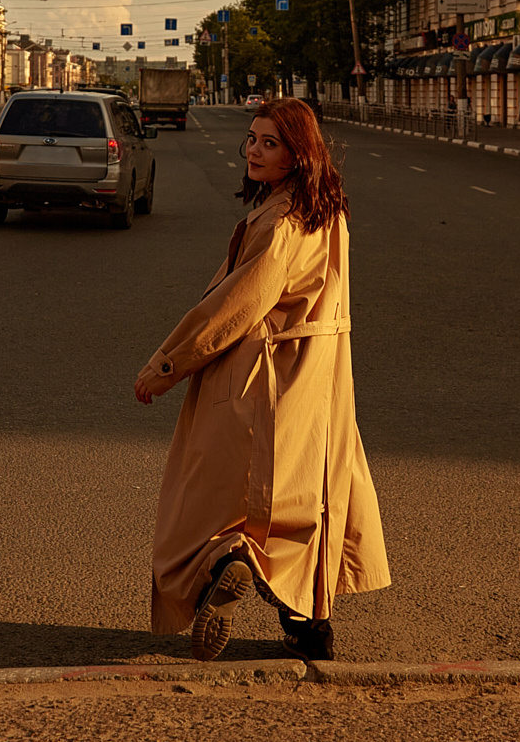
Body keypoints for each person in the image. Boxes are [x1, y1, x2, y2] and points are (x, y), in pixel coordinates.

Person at [135, 98, 388, 662]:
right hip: (319, 380)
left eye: (269, 142)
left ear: (299, 153)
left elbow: (236, 304)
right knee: (312, 498)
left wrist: (166, 365)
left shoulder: (280, 221)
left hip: (263, 373)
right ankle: (309, 628)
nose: (252, 150)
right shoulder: (326, 209)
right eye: (251, 138)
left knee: (213, 495)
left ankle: (226, 564)